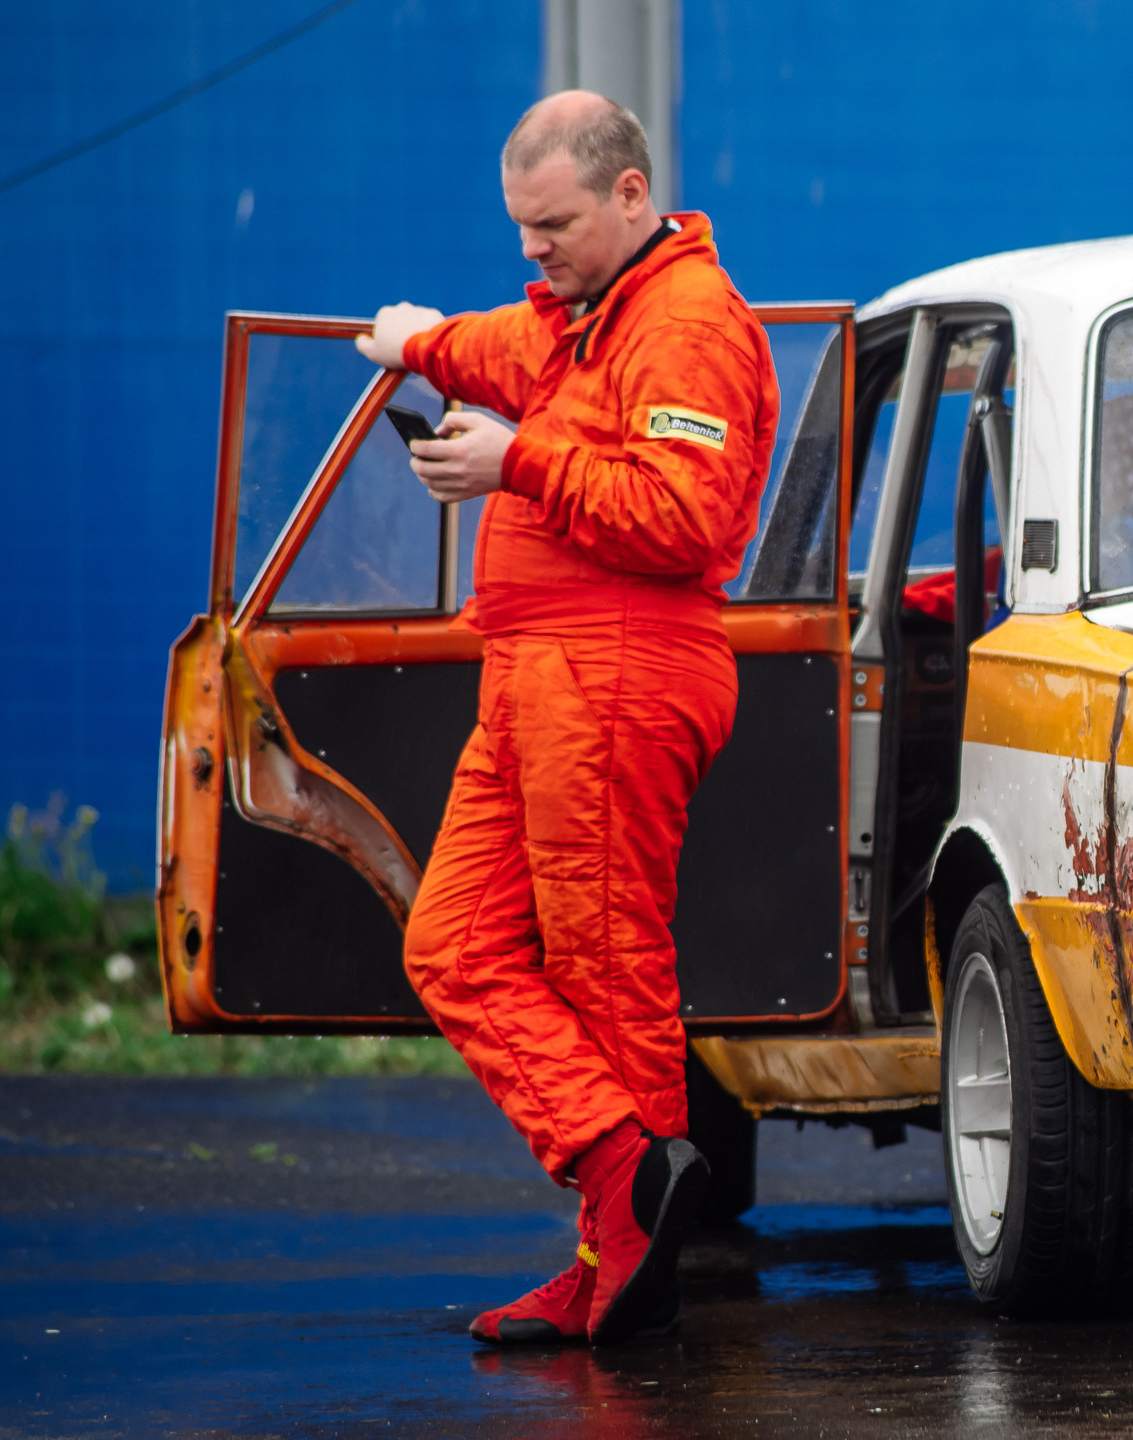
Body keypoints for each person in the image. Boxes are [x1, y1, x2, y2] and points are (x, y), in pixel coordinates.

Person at [354, 91, 779, 1347]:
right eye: (520, 227)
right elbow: (510, 348)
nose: (532, 249)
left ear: (631, 196)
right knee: (454, 948)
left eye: (553, 225)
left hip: (617, 668)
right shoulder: (588, 316)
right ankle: (619, 1185)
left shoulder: (688, 324)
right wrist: (424, 345)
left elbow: (686, 519)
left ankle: (622, 1248)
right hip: (542, 670)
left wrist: (513, 462)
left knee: (606, 972)